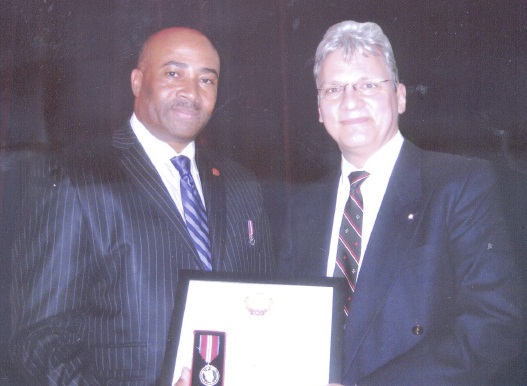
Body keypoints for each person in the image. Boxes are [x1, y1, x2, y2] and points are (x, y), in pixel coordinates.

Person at [9, 27, 273, 385]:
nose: (191, 92)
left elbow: (264, 309)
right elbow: (41, 339)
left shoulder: (242, 184)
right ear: (137, 81)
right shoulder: (77, 174)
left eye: (207, 80)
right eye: (173, 73)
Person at [278, 21, 525, 385]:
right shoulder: (301, 209)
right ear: (319, 108)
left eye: (367, 84)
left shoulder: (460, 185)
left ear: (401, 96)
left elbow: (493, 324)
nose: (350, 101)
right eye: (333, 89)